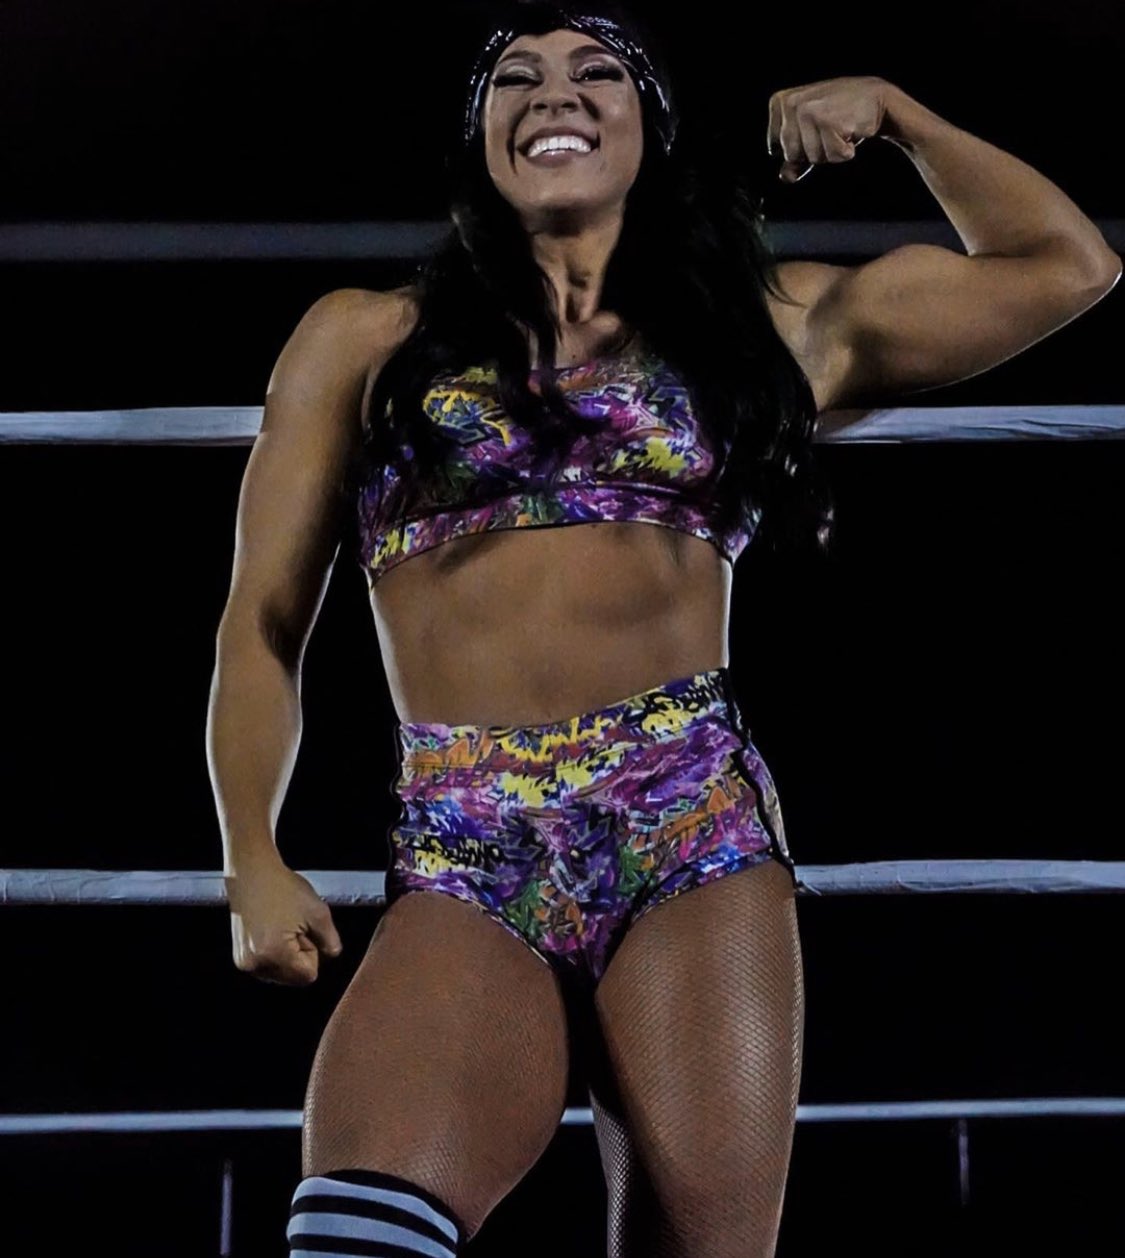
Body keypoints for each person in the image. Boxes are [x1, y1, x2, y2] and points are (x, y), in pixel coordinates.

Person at [206, 2, 1119, 1255]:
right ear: (479, 136)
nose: (555, 93)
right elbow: (262, 622)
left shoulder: (761, 325)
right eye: (515, 78)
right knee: (354, 1235)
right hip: (467, 838)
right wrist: (250, 854)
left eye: (597, 72)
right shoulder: (365, 338)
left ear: (650, 126)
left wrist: (901, 117)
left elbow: (1066, 266)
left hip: (689, 826)